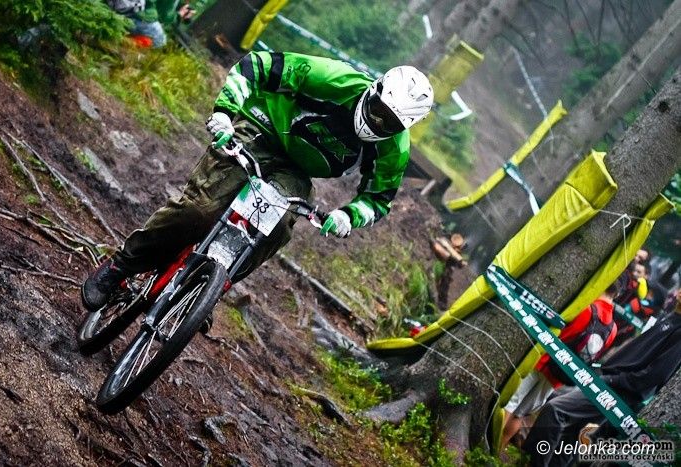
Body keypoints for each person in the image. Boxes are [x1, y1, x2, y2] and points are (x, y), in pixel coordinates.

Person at [82, 51, 434, 313]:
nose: (377, 123)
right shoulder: (334, 79)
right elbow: (257, 65)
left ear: (404, 127)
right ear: (373, 90)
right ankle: (121, 266)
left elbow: (378, 199)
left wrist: (348, 216)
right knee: (200, 210)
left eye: (390, 123)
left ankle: (206, 290)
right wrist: (225, 112)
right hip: (258, 130)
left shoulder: (394, 149)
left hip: (295, 173)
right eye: (378, 110)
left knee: (277, 228)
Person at [522, 288, 681, 467]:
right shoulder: (670, 317)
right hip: (612, 382)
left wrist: (615, 380)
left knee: (555, 410)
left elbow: (657, 374)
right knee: (574, 435)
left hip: (618, 391)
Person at [499, 279, 621, 451]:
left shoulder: (586, 307)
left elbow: (560, 333)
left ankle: (486, 446)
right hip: (559, 376)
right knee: (520, 413)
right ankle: (498, 450)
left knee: (510, 403)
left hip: (542, 361)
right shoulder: (613, 329)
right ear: (617, 294)